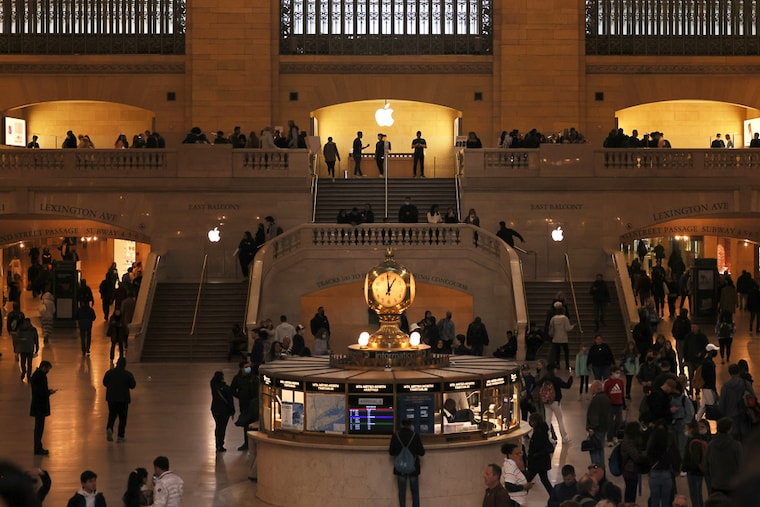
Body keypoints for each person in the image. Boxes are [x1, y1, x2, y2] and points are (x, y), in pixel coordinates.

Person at [389, 418, 425, 507]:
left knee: (402, 492)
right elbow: (422, 452)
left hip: (400, 467)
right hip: (413, 467)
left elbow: (391, 452)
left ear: (401, 425)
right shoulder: (415, 436)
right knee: (415, 492)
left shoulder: (396, 436)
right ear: (410, 425)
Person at [102, 357, 136, 443]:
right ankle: (120, 436)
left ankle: (110, 427)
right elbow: (133, 385)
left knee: (112, 414)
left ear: (116, 363)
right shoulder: (127, 374)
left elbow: (105, 383)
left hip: (111, 398)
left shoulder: (109, 373)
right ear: (124, 365)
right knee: (122, 418)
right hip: (123, 399)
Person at [718, 363, 755, 442]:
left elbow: (721, 403)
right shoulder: (745, 384)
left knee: (732, 438)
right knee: (745, 439)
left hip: (730, 415)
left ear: (729, 373)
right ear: (738, 372)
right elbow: (754, 397)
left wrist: (722, 415)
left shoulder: (725, 387)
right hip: (744, 415)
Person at [537, 363, 573, 443]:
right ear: (554, 370)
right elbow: (567, 386)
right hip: (555, 402)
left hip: (546, 402)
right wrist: (571, 377)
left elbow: (538, 384)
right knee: (560, 419)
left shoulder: (544, 379)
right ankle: (564, 437)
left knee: (548, 421)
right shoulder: (556, 379)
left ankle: (548, 438)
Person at [704, 417, 741, 496]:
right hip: (732, 485)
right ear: (729, 429)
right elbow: (740, 464)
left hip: (716, 484)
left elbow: (706, 465)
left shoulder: (711, 445)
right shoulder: (735, 445)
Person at [30, 360, 56, 455]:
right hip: (39, 406)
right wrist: (48, 392)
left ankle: (38, 447)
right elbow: (39, 392)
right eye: (48, 369)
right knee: (39, 428)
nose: (48, 371)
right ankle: (38, 448)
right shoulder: (40, 377)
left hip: (38, 406)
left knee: (39, 428)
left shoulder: (38, 375)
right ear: (44, 367)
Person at [231, 359, 257, 450]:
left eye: (249, 367)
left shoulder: (253, 377)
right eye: (246, 367)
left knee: (254, 424)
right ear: (241, 369)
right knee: (246, 424)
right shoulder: (237, 378)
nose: (248, 369)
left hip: (253, 404)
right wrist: (240, 396)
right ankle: (246, 443)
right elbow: (233, 390)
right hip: (244, 405)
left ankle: (254, 444)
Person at [525, 412, 554, 494]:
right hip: (542, 462)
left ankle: (519, 498)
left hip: (537, 462)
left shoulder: (538, 433)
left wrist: (532, 456)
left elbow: (536, 447)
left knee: (526, 480)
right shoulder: (542, 431)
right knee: (544, 480)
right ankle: (553, 496)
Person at [585, 380, 611, 469]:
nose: (590, 390)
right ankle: (601, 472)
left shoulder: (596, 400)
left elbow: (594, 415)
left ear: (596, 388)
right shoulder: (606, 398)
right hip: (603, 428)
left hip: (596, 430)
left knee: (595, 452)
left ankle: (596, 472)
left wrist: (591, 428)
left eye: (591, 388)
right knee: (600, 451)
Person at [681, 421, 707, 507]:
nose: (685, 430)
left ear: (691, 430)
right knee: (697, 494)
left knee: (695, 495)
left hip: (694, 472)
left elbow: (695, 459)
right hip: (697, 472)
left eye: (686, 429)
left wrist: (687, 467)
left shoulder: (694, 442)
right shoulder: (699, 439)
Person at [620, 421, 646, 503]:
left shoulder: (628, 440)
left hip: (630, 470)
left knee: (630, 491)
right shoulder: (629, 441)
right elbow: (636, 457)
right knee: (630, 492)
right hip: (630, 470)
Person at [210, 371, 235, 452]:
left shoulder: (213, 385)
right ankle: (220, 444)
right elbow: (230, 401)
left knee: (218, 426)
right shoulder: (226, 389)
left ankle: (217, 443)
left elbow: (212, 380)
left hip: (215, 409)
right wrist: (232, 412)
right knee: (222, 428)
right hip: (224, 411)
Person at [602, 365, 626, 445]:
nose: (618, 374)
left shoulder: (621, 382)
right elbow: (605, 394)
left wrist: (624, 402)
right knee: (610, 422)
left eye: (619, 373)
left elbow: (622, 392)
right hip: (610, 405)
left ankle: (615, 435)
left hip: (619, 404)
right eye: (617, 373)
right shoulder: (607, 382)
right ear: (612, 373)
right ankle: (609, 439)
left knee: (619, 421)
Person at [14, 318, 39, 382]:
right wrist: (21, 340)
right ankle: (24, 371)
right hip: (23, 349)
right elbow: (16, 338)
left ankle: (28, 375)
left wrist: (37, 347)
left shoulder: (33, 330)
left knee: (29, 364)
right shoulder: (20, 329)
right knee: (22, 362)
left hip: (30, 349)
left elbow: (36, 338)